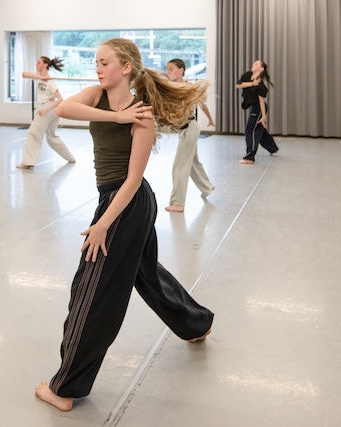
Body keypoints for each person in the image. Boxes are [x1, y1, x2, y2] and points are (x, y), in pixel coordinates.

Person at [34, 38, 214, 412]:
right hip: (116, 199)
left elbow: (132, 181)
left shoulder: (142, 114)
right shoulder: (97, 95)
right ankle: (196, 323)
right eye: (97, 62)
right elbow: (64, 108)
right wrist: (116, 117)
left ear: (126, 68)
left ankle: (65, 388)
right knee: (146, 273)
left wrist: (103, 224)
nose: (98, 68)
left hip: (127, 203)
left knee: (92, 290)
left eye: (105, 62)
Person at [164, 58, 215, 213]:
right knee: (193, 162)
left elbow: (202, 104)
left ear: (181, 70)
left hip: (190, 128)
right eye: (168, 69)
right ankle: (207, 187)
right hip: (184, 129)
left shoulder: (188, 88)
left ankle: (178, 203)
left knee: (179, 166)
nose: (169, 72)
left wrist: (210, 119)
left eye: (171, 69)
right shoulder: (172, 87)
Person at [16, 56, 76, 169]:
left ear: (45, 65)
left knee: (33, 133)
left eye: (38, 63)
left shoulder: (50, 81)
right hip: (49, 108)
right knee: (51, 136)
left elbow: (60, 99)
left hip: (49, 107)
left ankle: (27, 162)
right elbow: (24, 74)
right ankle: (71, 158)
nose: (36, 64)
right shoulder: (38, 76)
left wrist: (45, 110)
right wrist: (40, 76)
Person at [235, 59, 278, 164]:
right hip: (253, 107)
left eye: (257, 64)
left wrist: (263, 116)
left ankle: (249, 157)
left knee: (250, 130)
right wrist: (252, 83)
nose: (254, 64)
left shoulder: (260, 85)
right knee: (259, 130)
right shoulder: (247, 75)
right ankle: (273, 148)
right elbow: (238, 85)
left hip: (259, 108)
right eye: (255, 63)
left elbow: (261, 101)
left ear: (261, 69)